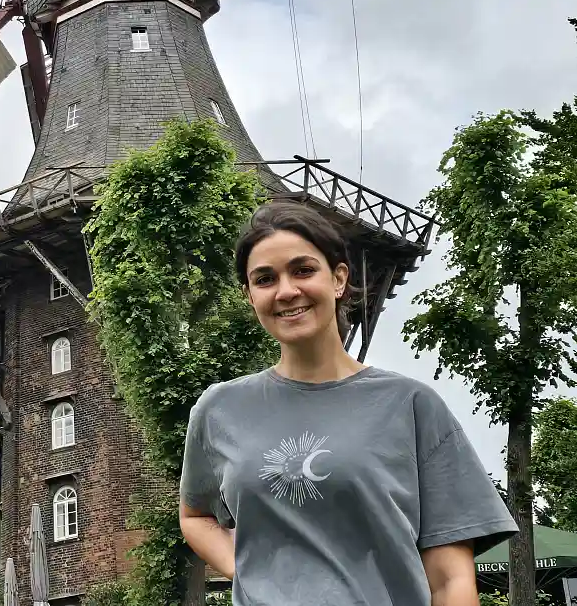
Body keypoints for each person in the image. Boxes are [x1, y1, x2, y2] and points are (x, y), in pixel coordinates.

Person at [178, 200, 518, 605]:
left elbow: (450, 581)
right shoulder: (219, 409)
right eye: (265, 279)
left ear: (339, 279)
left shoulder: (410, 405)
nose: (287, 291)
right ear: (251, 296)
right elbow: (194, 515)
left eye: (303, 270)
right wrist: (248, 568)